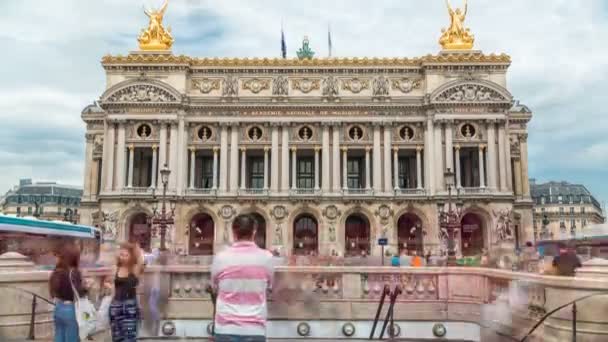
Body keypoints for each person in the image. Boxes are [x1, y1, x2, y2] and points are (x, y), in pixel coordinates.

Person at [211, 215, 274, 342]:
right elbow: (270, 286)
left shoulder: (220, 258)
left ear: (233, 232)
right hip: (255, 329)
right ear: (254, 232)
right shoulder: (267, 258)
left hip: (225, 328)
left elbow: (214, 287)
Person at [49, 242, 88, 342]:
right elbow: (79, 292)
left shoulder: (57, 271)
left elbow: (54, 292)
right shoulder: (74, 272)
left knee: (59, 337)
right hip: (71, 310)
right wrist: (87, 286)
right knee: (72, 338)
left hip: (58, 308)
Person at [108, 242, 145, 342]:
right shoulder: (115, 268)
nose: (123, 257)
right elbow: (111, 286)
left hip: (130, 305)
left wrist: (135, 248)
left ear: (131, 256)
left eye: (126, 255)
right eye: (121, 255)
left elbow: (141, 260)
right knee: (117, 335)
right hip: (116, 305)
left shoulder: (135, 269)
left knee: (130, 335)